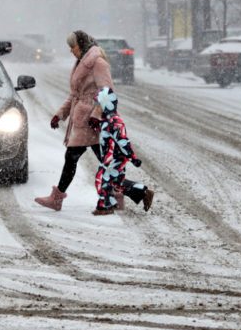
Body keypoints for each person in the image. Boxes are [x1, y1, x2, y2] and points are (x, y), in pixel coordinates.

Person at [34, 30, 154, 212]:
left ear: (81, 45)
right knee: (101, 164)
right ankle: (138, 192)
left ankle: (57, 199)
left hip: (93, 122)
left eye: (72, 47)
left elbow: (107, 91)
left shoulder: (97, 63)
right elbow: (75, 95)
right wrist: (60, 114)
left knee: (72, 159)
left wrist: (97, 115)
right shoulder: (81, 61)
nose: (71, 51)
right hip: (84, 120)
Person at [92, 86, 149, 216]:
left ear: (106, 104)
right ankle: (141, 192)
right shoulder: (106, 120)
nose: (96, 107)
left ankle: (105, 206)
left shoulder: (114, 122)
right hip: (112, 158)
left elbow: (123, 141)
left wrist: (132, 158)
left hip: (115, 158)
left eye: (99, 104)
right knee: (115, 183)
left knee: (102, 179)